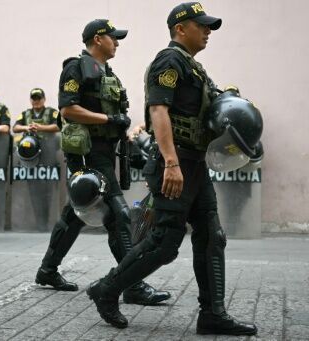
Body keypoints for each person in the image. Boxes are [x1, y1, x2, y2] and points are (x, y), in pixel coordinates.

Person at [86, 3, 258, 335]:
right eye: (202, 25)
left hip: (196, 163)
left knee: (212, 237)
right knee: (164, 242)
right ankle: (106, 290)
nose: (208, 31)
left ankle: (213, 314)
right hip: (175, 162)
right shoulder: (169, 61)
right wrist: (171, 162)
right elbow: (159, 111)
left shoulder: (194, 67)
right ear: (181, 28)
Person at [34, 19, 171, 308]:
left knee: (76, 212)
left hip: (107, 150)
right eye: (113, 37)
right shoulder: (75, 68)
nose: (117, 42)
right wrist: (109, 120)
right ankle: (131, 284)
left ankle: (47, 270)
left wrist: (127, 145)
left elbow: (116, 116)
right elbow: (68, 109)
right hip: (87, 152)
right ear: (98, 39)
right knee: (118, 215)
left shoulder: (107, 72)